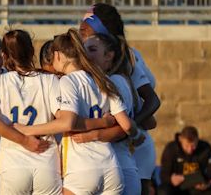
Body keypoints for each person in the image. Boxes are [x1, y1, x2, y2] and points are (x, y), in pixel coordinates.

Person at [15, 29, 142, 195]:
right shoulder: (103, 79)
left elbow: (67, 123)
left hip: (82, 169)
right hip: (111, 168)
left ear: (59, 55)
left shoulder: (69, 81)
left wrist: (27, 130)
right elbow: (126, 124)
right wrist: (136, 135)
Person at [80, 3, 160, 195]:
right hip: (113, 152)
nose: (79, 35)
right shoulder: (92, 58)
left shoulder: (126, 57)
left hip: (135, 150)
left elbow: (152, 101)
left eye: (84, 30)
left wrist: (128, 129)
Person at [0, 29, 62, 194]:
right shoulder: (50, 80)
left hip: (13, 164)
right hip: (47, 161)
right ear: (32, 52)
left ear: (4, 55)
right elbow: (62, 120)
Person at [75, 33, 145, 194]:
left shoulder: (115, 81)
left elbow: (122, 129)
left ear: (109, 56)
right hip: (112, 167)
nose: (86, 54)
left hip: (120, 166)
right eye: (84, 49)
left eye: (92, 49)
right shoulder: (102, 81)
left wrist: (92, 135)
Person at [158, 126, 211, 195]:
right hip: (178, 187)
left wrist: (208, 183)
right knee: (163, 191)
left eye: (193, 146)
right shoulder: (171, 149)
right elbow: (163, 174)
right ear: (180, 139)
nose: (190, 149)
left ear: (197, 140)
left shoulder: (205, 148)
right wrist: (171, 179)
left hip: (199, 186)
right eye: (186, 146)